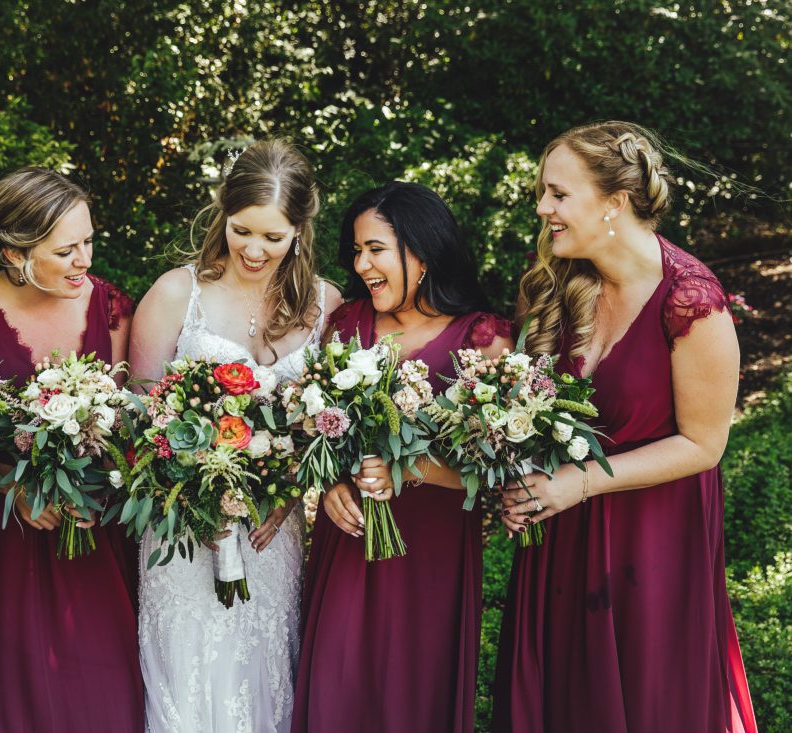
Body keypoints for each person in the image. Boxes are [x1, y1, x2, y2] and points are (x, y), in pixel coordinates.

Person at [492, 121, 757, 732]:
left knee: (647, 703)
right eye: (543, 192)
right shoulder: (554, 290)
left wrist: (576, 482)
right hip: (560, 537)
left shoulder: (691, 301)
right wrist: (519, 481)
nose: (543, 208)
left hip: (652, 543)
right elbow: (529, 414)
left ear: (613, 202)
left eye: (558, 194)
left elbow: (704, 445)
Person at [129, 139, 342, 732]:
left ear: (300, 229)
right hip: (184, 529)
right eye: (241, 229)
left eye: (273, 237)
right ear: (222, 213)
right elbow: (140, 415)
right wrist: (198, 492)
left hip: (275, 527)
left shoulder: (325, 304)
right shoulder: (177, 294)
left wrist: (287, 485)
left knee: (263, 662)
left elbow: (332, 427)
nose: (253, 249)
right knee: (191, 665)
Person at [291, 181, 512, 732]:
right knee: (336, 686)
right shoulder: (345, 327)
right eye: (356, 251)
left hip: (430, 550)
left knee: (415, 695)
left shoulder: (483, 339)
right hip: (349, 543)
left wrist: (408, 467)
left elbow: (500, 467)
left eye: (375, 249)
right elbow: (318, 431)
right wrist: (333, 483)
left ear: (423, 249)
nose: (361, 264)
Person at [0, 166, 142, 732]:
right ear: (14, 252)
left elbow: (129, 425)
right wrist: (11, 485)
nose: (84, 261)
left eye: (89, 241)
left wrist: (96, 482)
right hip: (4, 538)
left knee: (104, 689)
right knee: (9, 693)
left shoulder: (113, 309)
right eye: (66, 249)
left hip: (91, 526)